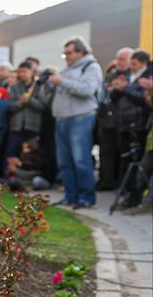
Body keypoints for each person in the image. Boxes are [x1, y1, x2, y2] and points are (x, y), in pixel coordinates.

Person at [48, 37, 103, 208]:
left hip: (81, 118)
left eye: (69, 53)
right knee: (64, 162)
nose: (67, 57)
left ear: (81, 52)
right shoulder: (66, 70)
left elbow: (87, 90)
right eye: (65, 54)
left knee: (81, 160)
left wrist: (61, 82)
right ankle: (70, 196)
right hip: (62, 120)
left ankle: (86, 198)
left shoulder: (91, 67)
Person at [111, 49, 152, 207]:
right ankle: (125, 193)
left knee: (139, 163)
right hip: (123, 123)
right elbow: (115, 99)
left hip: (139, 125)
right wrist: (116, 89)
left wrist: (125, 90)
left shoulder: (148, 76)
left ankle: (136, 197)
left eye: (134, 64)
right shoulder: (125, 76)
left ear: (143, 63)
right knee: (125, 160)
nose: (131, 67)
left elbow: (143, 100)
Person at [98, 48, 135, 189]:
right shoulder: (109, 77)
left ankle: (123, 184)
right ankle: (106, 181)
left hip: (126, 121)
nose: (117, 62)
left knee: (124, 154)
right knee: (106, 152)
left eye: (122, 59)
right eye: (117, 58)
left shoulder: (133, 77)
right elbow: (102, 99)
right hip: (108, 120)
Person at [6, 61, 49, 160]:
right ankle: (10, 174)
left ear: (31, 71)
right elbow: (10, 106)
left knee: (32, 154)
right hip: (16, 127)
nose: (21, 74)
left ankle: (28, 174)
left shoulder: (39, 87)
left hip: (32, 127)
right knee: (12, 153)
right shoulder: (14, 88)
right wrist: (21, 103)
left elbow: (42, 106)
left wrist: (30, 101)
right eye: (20, 72)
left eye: (24, 71)